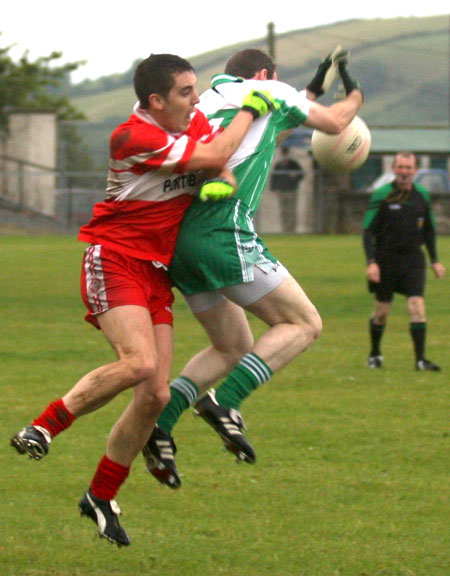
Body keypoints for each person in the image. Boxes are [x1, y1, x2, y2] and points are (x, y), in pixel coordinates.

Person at [9, 53, 277, 547]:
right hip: (114, 258)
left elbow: (223, 167)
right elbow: (216, 155)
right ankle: (43, 427)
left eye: (196, 89)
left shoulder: (192, 121)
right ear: (155, 101)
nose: (196, 100)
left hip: (155, 270)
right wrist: (250, 109)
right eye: (184, 92)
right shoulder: (132, 136)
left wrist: (223, 181)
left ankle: (100, 496)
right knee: (137, 364)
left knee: (154, 395)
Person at [142, 48, 364, 489]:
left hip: (176, 242)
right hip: (221, 231)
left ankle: (159, 427)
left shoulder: (204, 102)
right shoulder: (268, 91)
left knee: (233, 347)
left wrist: (315, 84)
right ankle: (226, 402)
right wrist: (353, 90)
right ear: (265, 76)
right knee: (305, 323)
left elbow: (276, 120)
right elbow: (336, 122)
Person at [363, 151, 446, 371]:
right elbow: (367, 230)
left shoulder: (422, 195)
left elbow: (429, 231)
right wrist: (371, 262)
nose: (404, 172)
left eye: (408, 168)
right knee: (381, 312)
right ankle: (375, 354)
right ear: (394, 169)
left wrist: (435, 260)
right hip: (385, 260)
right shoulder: (382, 194)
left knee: (417, 306)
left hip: (413, 261)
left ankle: (420, 361)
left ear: (415, 171)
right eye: (400, 167)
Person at [270, 146, 304, 232]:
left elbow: (301, 174)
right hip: (282, 191)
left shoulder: (293, 164)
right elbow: (274, 178)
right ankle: (285, 229)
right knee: (284, 211)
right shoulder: (278, 165)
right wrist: (274, 189)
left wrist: (294, 177)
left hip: (291, 190)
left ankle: (292, 229)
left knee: (291, 210)